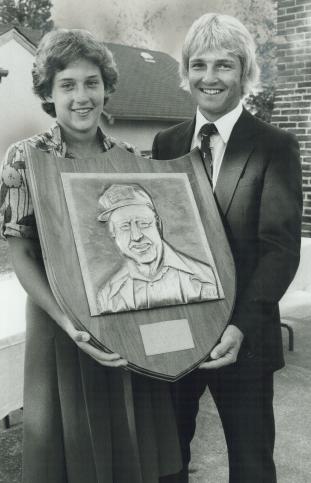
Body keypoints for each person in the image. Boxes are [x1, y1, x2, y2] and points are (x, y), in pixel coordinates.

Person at [0, 28, 183, 483]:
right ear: (48, 92)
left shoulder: (129, 157)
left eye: (92, 82)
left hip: (125, 317)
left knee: (130, 445)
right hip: (59, 323)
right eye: (68, 85)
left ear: (106, 87)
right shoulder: (25, 158)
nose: (82, 96)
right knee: (69, 454)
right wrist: (68, 321)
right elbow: (20, 253)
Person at [152, 13, 302, 483]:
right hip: (174, 336)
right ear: (186, 72)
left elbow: (280, 248)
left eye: (224, 66)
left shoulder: (275, 146)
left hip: (245, 337)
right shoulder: (166, 143)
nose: (210, 78)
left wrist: (239, 325)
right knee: (165, 458)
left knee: (252, 463)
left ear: (245, 72)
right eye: (199, 65)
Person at [97, 183, 219, 313]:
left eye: (143, 223)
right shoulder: (107, 296)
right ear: (114, 235)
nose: (136, 236)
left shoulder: (206, 279)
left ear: (159, 226)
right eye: (125, 227)